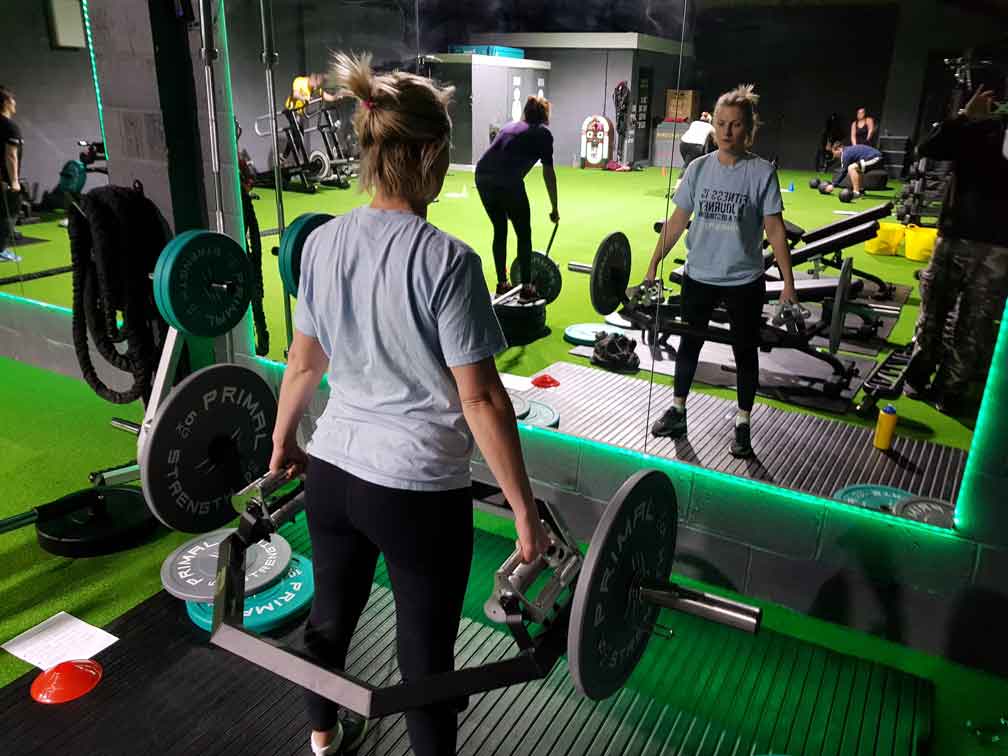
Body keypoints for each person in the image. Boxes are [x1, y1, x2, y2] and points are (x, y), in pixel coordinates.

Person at [267, 52, 550, 756]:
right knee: (425, 659)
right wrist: (523, 510)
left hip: (334, 473)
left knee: (329, 619)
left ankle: (323, 736)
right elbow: (481, 398)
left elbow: (303, 363)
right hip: (417, 492)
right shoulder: (449, 260)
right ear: (428, 154)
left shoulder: (321, 242)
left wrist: (282, 442)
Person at [644, 84, 797, 458]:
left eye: (736, 124)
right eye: (722, 123)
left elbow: (775, 229)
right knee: (689, 344)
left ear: (749, 129)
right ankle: (678, 411)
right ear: (714, 126)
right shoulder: (698, 169)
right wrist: (653, 263)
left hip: (744, 280)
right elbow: (677, 222)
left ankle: (742, 424)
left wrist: (788, 284)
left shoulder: (761, 172)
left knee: (745, 352)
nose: (727, 131)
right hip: (699, 275)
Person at [905, 78, 1008, 415]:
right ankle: (919, 374)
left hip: (999, 247)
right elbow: (927, 148)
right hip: (954, 235)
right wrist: (964, 116)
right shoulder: (975, 128)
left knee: (976, 323)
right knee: (933, 311)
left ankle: (952, 389)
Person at [475, 96, 559, 301]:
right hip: (508, 181)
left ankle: (502, 283)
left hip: (483, 177)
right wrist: (554, 207)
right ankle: (527, 287)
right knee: (523, 233)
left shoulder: (509, 127)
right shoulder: (543, 135)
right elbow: (548, 173)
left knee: (500, 228)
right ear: (544, 115)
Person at [0, 85, 23, 263]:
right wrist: (14, 181)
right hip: (5, 181)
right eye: (12, 100)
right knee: (9, 213)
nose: (15, 103)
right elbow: (11, 155)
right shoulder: (10, 127)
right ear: (6, 103)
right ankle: (1, 250)